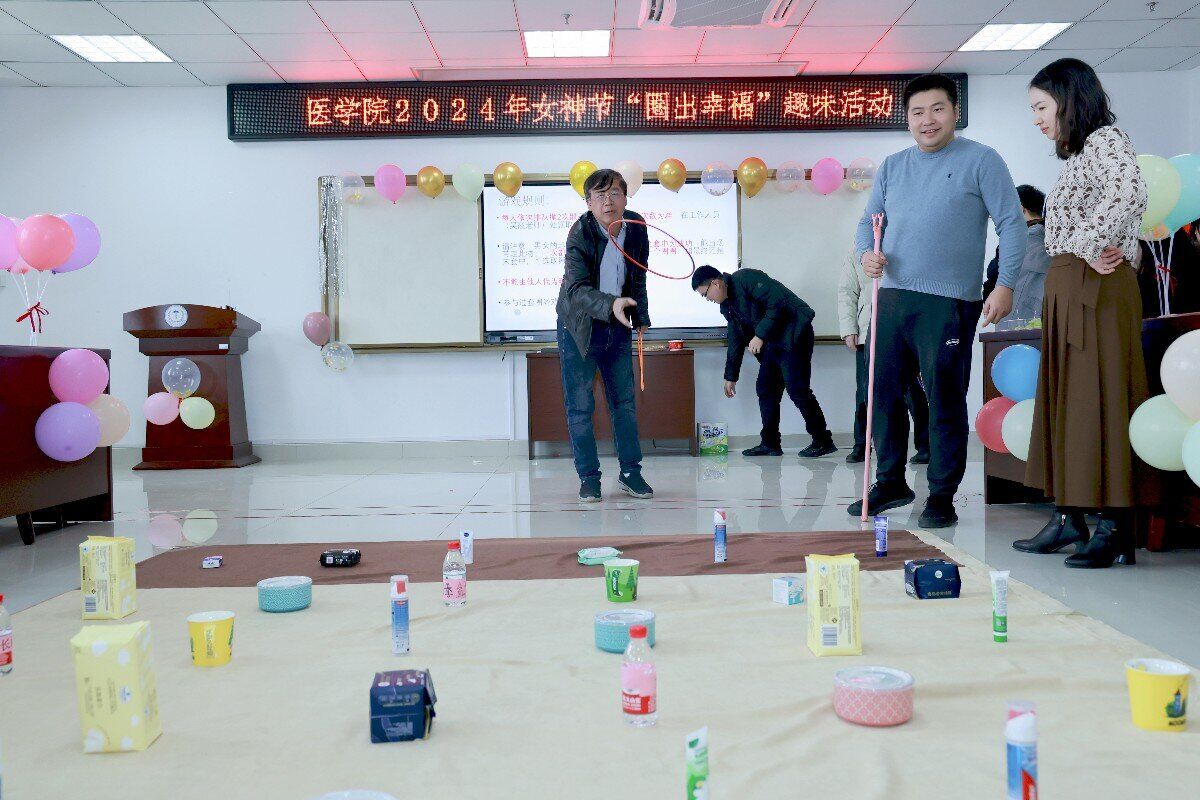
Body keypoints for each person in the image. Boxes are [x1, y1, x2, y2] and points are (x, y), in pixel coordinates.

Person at [849, 73, 1026, 528]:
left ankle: (942, 495)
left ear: (954, 113)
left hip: (949, 302)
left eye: (937, 109)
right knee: (881, 394)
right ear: (906, 119)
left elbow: (1011, 223)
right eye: (917, 112)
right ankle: (890, 481)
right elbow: (868, 222)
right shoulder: (893, 166)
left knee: (944, 398)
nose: (927, 120)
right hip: (892, 296)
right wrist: (867, 254)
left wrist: (1004, 283)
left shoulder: (981, 159)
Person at [1015, 58, 1149, 568]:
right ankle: (1069, 516)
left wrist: (1092, 242)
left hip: (1096, 285)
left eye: (1040, 107)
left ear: (1069, 101)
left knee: (1103, 398)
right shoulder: (1081, 154)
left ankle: (1114, 524)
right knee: (1069, 401)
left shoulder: (1107, 140)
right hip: (1071, 282)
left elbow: (1130, 192)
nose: (1036, 118)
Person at [556, 168, 654, 503]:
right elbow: (576, 289)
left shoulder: (637, 227)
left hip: (619, 322)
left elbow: (638, 277)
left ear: (626, 197)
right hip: (579, 328)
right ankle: (589, 478)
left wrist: (640, 316)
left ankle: (631, 473)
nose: (608, 202)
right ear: (588, 202)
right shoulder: (580, 233)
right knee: (580, 407)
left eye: (614, 193)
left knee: (624, 403)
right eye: (599, 195)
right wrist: (611, 303)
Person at [691, 264, 836, 458]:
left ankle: (823, 440)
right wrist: (731, 376)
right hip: (773, 341)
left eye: (705, 294)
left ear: (716, 283)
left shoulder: (746, 278)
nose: (707, 299)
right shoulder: (727, 306)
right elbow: (735, 339)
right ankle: (770, 443)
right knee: (766, 388)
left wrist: (759, 335)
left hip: (794, 333)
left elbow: (777, 303)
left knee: (797, 389)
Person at [837, 246, 930, 465]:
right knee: (865, 392)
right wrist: (848, 328)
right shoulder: (857, 252)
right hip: (868, 330)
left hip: (905, 331)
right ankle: (861, 445)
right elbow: (847, 291)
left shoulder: (906, 244)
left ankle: (926, 446)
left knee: (913, 391)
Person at [982, 185, 1053, 320]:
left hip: (1019, 319)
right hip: (1034, 318)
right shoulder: (1049, 239)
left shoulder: (1025, 240)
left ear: (1020, 209)